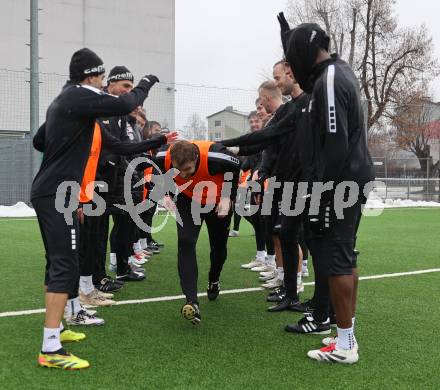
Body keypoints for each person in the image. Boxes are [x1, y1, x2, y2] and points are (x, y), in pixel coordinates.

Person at [31, 48, 175, 370]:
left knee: (58, 261)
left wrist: (156, 142)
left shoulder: (67, 104)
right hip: (58, 191)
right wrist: (148, 82)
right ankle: (50, 348)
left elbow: (40, 141)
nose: (101, 83)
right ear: (93, 77)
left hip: (55, 190)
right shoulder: (78, 96)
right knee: (65, 264)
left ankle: (60, 328)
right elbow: (126, 103)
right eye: (100, 77)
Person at [278, 16, 375, 363]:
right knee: (344, 258)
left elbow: (335, 143)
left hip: (341, 182)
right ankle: (344, 333)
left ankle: (347, 344)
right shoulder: (335, 73)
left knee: (336, 261)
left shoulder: (331, 79)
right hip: (348, 179)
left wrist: (320, 196)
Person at [154, 140, 240, 325]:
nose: (183, 175)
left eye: (188, 169)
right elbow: (159, 170)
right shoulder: (163, 157)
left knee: (219, 248)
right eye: (179, 170)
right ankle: (191, 301)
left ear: (196, 158)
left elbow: (235, 166)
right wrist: (167, 193)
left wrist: (227, 197)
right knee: (185, 242)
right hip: (189, 199)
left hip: (217, 201)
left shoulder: (217, 156)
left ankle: (214, 279)